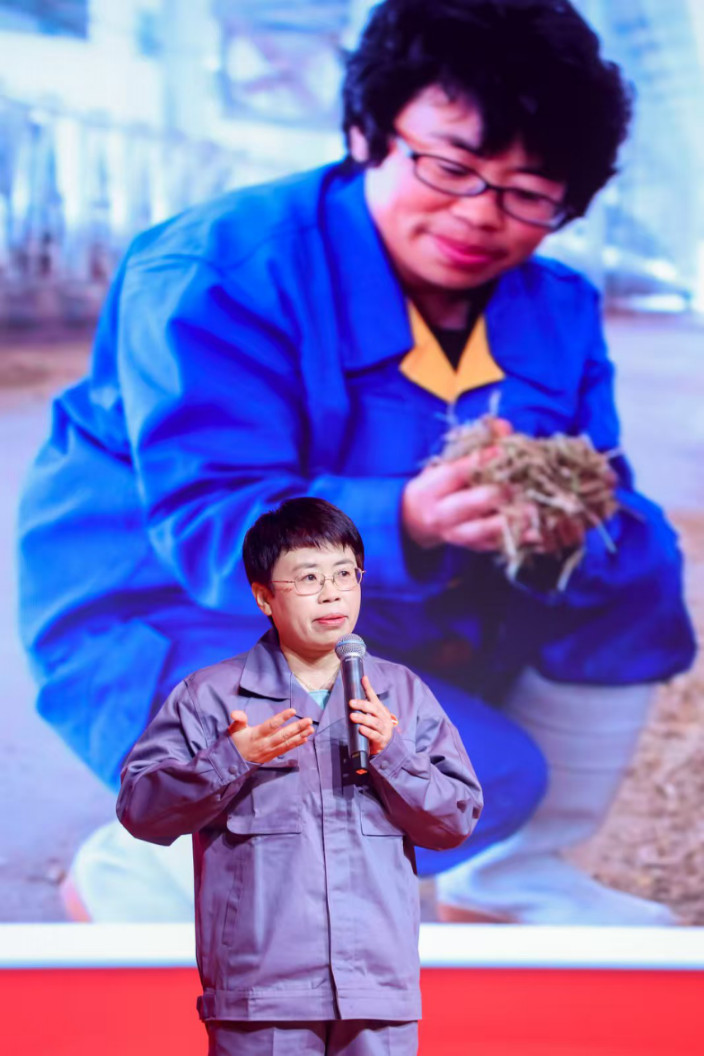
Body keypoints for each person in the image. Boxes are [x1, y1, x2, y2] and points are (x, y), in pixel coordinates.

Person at [19, 0, 695, 925]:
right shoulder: (219, 268)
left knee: (628, 550)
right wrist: (406, 517)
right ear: (365, 132)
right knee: (473, 774)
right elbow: (213, 524)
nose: (480, 215)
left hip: (392, 607)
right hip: (180, 605)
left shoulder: (557, 305)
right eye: (449, 167)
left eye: (530, 191)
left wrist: (552, 516)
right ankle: (143, 873)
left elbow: (592, 469)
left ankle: (508, 883)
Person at [117, 497, 482, 1055]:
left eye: (345, 574)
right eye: (309, 578)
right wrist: (229, 758)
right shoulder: (211, 697)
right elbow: (141, 811)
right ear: (264, 596)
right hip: (261, 996)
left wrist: (392, 754)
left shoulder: (401, 694)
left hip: (376, 992)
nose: (332, 593)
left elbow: (454, 821)